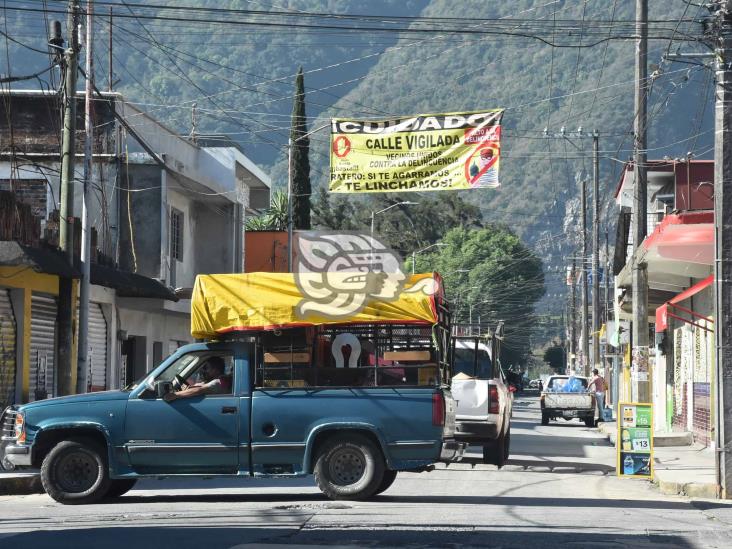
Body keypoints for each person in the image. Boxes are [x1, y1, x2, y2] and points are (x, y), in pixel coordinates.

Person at [164, 356, 231, 401]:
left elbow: (199, 390)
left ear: (216, 370)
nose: (203, 371)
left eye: (206, 368)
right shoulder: (212, 381)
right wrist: (187, 387)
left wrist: (173, 395)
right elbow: (200, 386)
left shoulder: (218, 382)